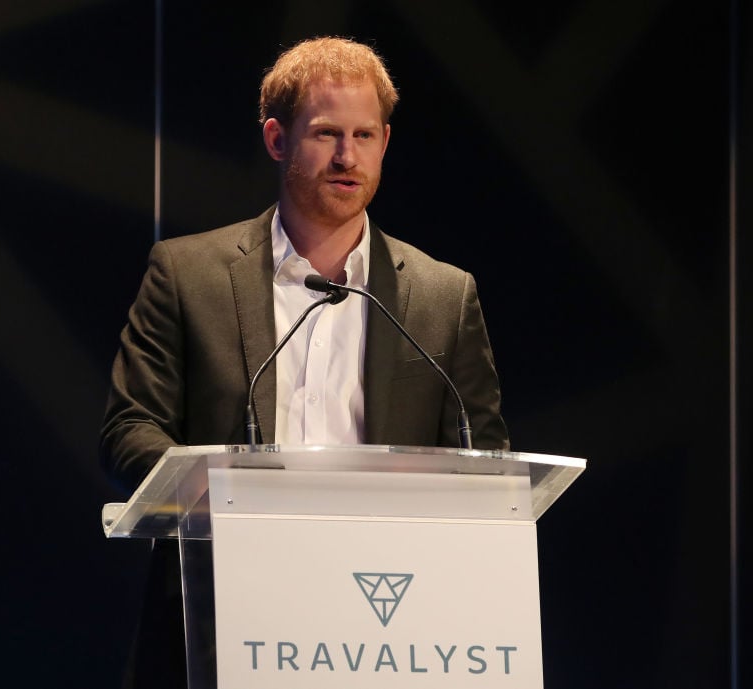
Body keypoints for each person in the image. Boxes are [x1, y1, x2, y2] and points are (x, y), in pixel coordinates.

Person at [100, 36, 509, 688]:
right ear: (275, 138)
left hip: (389, 635)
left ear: (385, 142)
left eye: (364, 134)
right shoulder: (187, 274)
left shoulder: (441, 297)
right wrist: (219, 490)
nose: (348, 156)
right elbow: (129, 429)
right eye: (325, 133)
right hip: (219, 620)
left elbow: (486, 472)